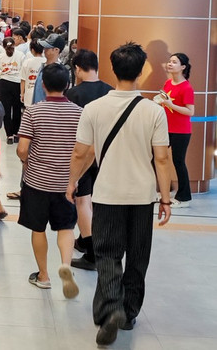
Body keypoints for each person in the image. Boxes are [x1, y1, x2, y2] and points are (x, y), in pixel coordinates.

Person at [66, 42, 174, 346]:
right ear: (140, 72)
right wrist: (165, 198)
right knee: (138, 256)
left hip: (107, 195)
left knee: (108, 254)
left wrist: (72, 183)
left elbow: (80, 153)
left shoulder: (94, 109)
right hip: (141, 197)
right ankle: (127, 312)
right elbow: (162, 159)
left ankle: (110, 307)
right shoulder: (154, 111)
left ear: (113, 70)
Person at [16, 63, 82, 299]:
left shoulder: (33, 112)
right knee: (65, 227)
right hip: (66, 183)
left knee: (38, 228)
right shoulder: (78, 112)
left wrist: (26, 161)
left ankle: (43, 276)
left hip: (37, 181)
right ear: (67, 85)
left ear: (43, 85)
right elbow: (83, 150)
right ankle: (66, 265)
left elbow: (23, 148)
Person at [65, 49, 113, 271]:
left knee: (82, 201)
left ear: (77, 69)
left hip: (84, 155)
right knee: (97, 202)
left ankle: (93, 253)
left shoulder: (74, 94)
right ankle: (87, 242)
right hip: (108, 156)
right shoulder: (110, 92)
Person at [161, 52, 195, 208]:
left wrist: (171, 105)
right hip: (166, 128)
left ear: (183, 67)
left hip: (181, 131)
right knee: (157, 157)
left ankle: (184, 197)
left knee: (178, 162)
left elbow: (190, 111)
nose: (170, 64)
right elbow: (164, 101)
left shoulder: (187, 87)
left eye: (174, 62)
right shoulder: (168, 83)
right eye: (169, 61)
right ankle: (164, 190)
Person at [0, 36, 25, 144]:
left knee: (6, 110)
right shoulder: (21, 55)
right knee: (17, 109)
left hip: (4, 84)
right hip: (17, 84)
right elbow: (23, 70)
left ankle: (9, 135)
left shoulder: (0, 57)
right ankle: (17, 133)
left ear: (3, 46)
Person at [30, 33, 66, 105]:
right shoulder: (43, 66)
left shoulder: (60, 71)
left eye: (47, 48)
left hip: (49, 111)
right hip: (37, 108)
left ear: (56, 50)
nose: (44, 50)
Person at [20, 40, 45, 108]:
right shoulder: (46, 61)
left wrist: (22, 94)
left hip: (29, 93)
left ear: (32, 50)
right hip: (42, 94)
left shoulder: (27, 62)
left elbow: (23, 80)